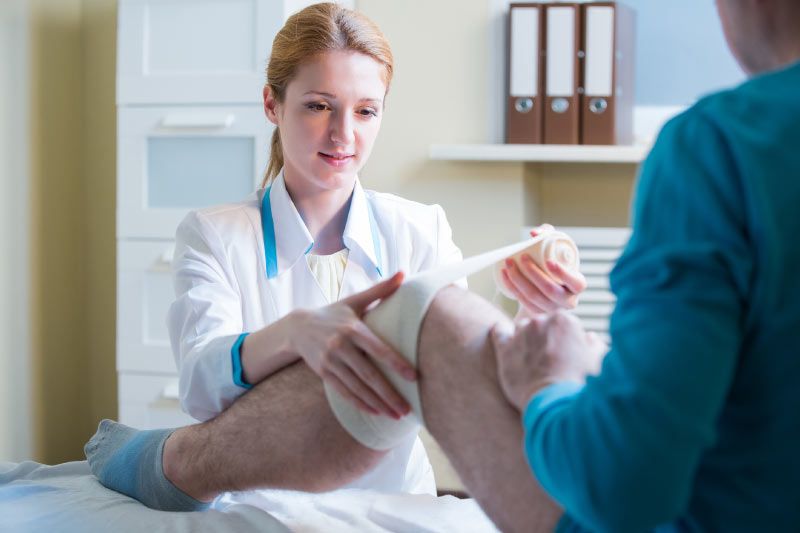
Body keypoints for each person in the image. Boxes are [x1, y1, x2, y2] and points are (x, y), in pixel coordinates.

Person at [84, 1, 584, 517]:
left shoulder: (419, 228)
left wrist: (535, 305)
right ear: (272, 105)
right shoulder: (216, 234)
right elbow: (200, 388)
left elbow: (465, 378)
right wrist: (294, 334)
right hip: (267, 508)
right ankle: (131, 454)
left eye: (366, 110)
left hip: (395, 505)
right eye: (319, 106)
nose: (344, 134)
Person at [490, 0, 800, 531]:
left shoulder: (719, 145)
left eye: (366, 110)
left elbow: (624, 487)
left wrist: (546, 386)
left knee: (446, 324)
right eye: (318, 107)